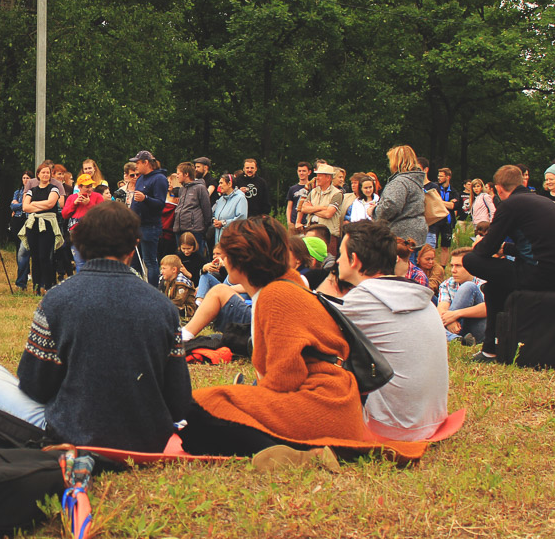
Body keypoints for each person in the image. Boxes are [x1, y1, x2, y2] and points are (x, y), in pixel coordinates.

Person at [180, 216, 429, 460]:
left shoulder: (275, 295)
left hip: (322, 408)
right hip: (337, 408)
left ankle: (302, 453)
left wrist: (253, 401)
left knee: (196, 410)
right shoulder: (287, 286)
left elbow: (285, 378)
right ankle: (291, 450)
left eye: (226, 254)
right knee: (207, 414)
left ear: (241, 260)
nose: (221, 259)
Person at [0, 201, 191, 451]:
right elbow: (179, 401)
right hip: (146, 437)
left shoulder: (56, 299)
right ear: (133, 248)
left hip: (71, 432)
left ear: (80, 245)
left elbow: (35, 386)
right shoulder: (163, 306)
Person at [334, 221, 448, 442]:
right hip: (431, 422)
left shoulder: (364, 298)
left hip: (390, 428)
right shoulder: (417, 295)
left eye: (340, 254)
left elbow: (310, 332)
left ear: (354, 260)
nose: (337, 261)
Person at [464, 164, 555, 362]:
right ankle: (491, 349)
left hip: (539, 274)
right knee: (494, 288)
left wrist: (481, 245)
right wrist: (505, 249)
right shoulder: (543, 202)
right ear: (521, 182)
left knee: (470, 259)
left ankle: (491, 350)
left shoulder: (510, 205)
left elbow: (486, 249)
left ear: (499, 189)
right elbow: (541, 248)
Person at [21, 162, 63, 294]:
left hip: (48, 225)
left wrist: (34, 204)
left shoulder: (54, 188)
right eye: (43, 172)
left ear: (50, 175)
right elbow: (25, 207)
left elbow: (51, 204)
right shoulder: (31, 190)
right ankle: (36, 286)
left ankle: (48, 285)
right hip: (33, 225)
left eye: (47, 172)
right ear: (38, 175)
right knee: (35, 256)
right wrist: (39, 206)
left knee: (45, 256)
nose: (45, 174)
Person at [374, 145, 428, 245]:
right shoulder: (415, 180)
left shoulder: (400, 182)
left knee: (401, 261)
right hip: (417, 232)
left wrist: (374, 211)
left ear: (396, 161)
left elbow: (391, 207)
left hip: (402, 235)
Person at [128, 151, 168, 285]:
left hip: (150, 226)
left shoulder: (159, 179)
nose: (136, 166)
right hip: (136, 226)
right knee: (134, 260)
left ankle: (152, 290)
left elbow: (160, 204)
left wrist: (145, 198)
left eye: (138, 163)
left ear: (146, 162)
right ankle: (136, 287)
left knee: (150, 260)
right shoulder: (140, 178)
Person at [438, 247, 486, 346]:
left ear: (471, 266)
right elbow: (442, 307)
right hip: (456, 328)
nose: (453, 270)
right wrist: (450, 321)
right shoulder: (447, 283)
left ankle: (447, 336)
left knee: (468, 287)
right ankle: (457, 339)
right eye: (452, 266)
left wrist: (456, 314)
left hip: (479, 329)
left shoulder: (484, 282)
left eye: (458, 266)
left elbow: (488, 308)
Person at [296, 164, 344, 255]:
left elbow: (328, 214)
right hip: (311, 229)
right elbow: (303, 209)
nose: (317, 178)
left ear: (328, 178)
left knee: (327, 260)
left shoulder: (337, 194)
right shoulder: (314, 191)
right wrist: (322, 208)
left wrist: (312, 209)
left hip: (328, 233)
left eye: (319, 176)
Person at [61, 174, 104, 272]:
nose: (89, 189)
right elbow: (64, 214)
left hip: (93, 233)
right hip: (76, 234)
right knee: (80, 262)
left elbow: (102, 214)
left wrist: (89, 204)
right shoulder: (72, 197)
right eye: (86, 187)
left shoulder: (97, 196)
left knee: (93, 262)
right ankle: (82, 286)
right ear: (80, 187)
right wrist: (74, 204)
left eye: (90, 186)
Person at [174, 162, 212, 262]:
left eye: (178, 173)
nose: (177, 175)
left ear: (186, 174)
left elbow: (206, 208)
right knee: (181, 257)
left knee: (197, 258)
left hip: (195, 229)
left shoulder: (200, 188)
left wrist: (205, 227)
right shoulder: (182, 189)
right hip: (180, 228)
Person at [428, 167, 461, 252]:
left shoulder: (454, 192)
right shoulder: (434, 188)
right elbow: (430, 201)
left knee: (445, 246)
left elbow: (454, 206)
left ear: (448, 177)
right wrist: (447, 203)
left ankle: (443, 265)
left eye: (441, 176)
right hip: (435, 221)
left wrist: (438, 202)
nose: (439, 178)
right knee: (431, 246)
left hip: (447, 222)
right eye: (438, 176)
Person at [10, 170, 32, 289]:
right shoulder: (17, 192)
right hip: (17, 220)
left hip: (27, 219)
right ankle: (22, 274)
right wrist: (21, 205)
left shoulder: (33, 192)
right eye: (23, 178)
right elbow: (13, 206)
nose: (25, 180)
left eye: (27, 177)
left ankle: (28, 273)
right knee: (19, 247)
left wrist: (21, 205)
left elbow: (25, 206)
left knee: (26, 247)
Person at [211, 174, 247, 245]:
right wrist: (214, 220)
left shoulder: (240, 198)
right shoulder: (221, 199)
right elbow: (213, 212)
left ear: (230, 184)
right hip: (218, 240)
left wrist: (223, 223)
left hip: (232, 240)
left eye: (221, 183)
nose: (219, 186)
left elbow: (241, 219)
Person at [158, 254, 196, 320]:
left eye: (164, 268)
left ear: (174, 270)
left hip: (187, 311)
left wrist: (164, 304)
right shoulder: (168, 280)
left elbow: (179, 300)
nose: (162, 271)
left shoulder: (181, 282)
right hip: (174, 305)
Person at [286, 162, 312, 228]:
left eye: (304, 171)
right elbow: (289, 207)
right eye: (299, 171)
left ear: (309, 172)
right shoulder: (292, 189)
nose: (301, 173)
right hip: (294, 222)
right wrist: (289, 222)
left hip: (307, 222)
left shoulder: (312, 188)